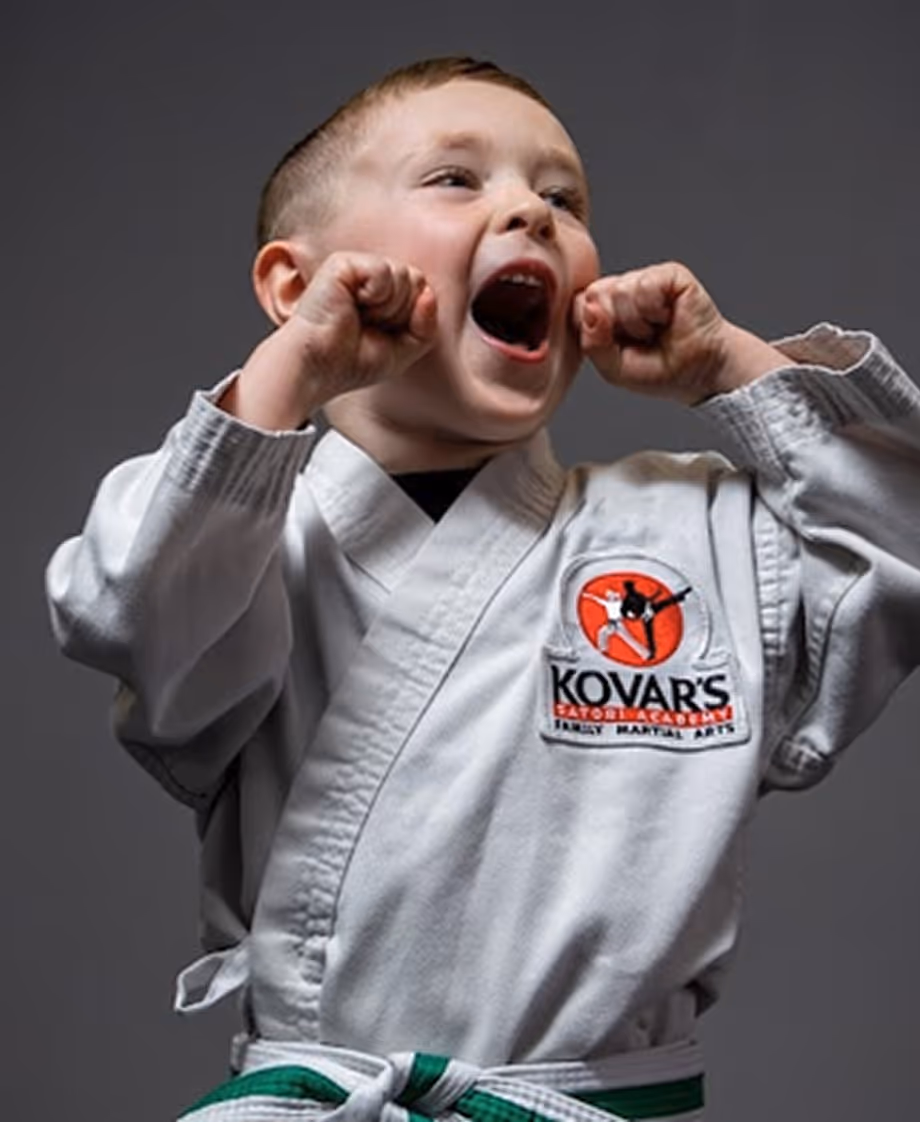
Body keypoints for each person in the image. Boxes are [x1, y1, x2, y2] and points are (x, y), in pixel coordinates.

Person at [45, 56, 920, 1122]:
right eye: (455, 180)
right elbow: (127, 603)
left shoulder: (687, 534)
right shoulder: (253, 539)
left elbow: (899, 542)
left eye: (562, 197)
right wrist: (290, 369)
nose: (529, 211)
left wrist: (724, 369)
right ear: (294, 282)